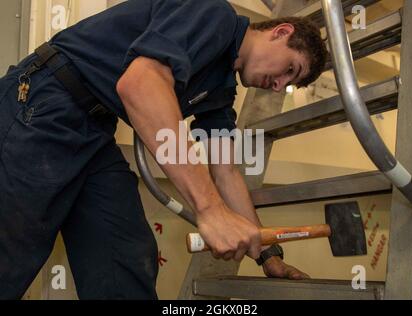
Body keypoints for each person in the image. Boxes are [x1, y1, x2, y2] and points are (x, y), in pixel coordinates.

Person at [0, 0, 327, 300]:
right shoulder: (215, 14)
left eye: (289, 84)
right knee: (12, 253)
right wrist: (210, 211)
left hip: (95, 131)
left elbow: (225, 172)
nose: (279, 85)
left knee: (126, 255)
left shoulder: (221, 88)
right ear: (282, 32)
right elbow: (140, 83)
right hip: (43, 102)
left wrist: (268, 254)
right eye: (290, 70)